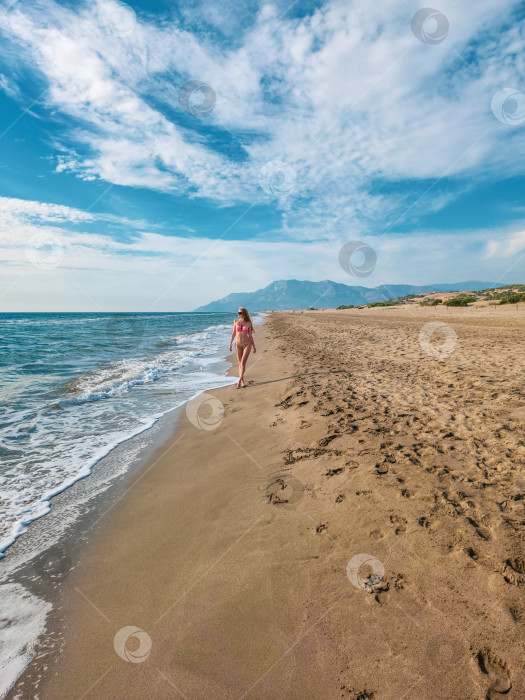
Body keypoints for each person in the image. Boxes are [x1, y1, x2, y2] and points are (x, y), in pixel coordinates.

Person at [229, 307, 256, 388]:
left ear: (244, 313)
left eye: (240, 313)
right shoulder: (236, 322)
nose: (238, 314)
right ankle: (242, 381)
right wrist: (230, 344)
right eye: (238, 313)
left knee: (243, 362)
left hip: (247, 344)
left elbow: (250, 336)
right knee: (239, 363)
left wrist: (254, 346)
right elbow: (233, 333)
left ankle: (239, 381)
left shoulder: (248, 323)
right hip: (238, 345)